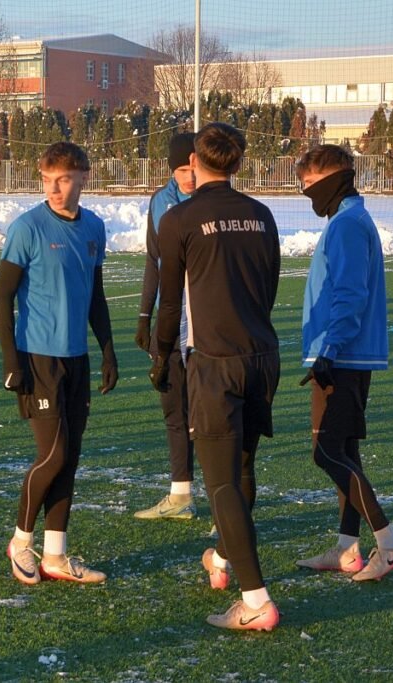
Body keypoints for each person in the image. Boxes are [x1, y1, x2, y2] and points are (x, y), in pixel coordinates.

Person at [150, 122, 280, 631]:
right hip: (262, 356)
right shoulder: (262, 214)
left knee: (221, 481)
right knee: (243, 467)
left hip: (214, 362)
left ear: (194, 162)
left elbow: (169, 304)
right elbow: (268, 287)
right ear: (238, 163)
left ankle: (256, 601)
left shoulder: (179, 218)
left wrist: (162, 356)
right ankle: (223, 559)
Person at [0, 141, 118, 585]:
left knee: (71, 458)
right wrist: (12, 361)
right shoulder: (27, 228)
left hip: (76, 358)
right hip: (38, 358)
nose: (54, 189)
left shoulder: (94, 228)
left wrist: (107, 350)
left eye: (63, 179)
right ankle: (20, 542)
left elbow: (96, 296)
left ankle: (55, 555)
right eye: (47, 180)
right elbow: (2, 298)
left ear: (84, 176)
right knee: (53, 454)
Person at [294, 144, 393, 581]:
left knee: (327, 452)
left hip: (342, 356)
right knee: (345, 452)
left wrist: (329, 350)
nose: (306, 193)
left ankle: (390, 543)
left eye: (309, 184)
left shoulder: (346, 225)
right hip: (347, 354)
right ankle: (348, 548)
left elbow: (350, 294)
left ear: (332, 180)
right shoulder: (350, 219)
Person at [134, 132, 198, 520]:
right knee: (173, 406)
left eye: (194, 168)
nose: (189, 177)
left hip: (205, 321)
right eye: (182, 170)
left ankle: (230, 508)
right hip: (169, 319)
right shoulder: (160, 202)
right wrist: (145, 316)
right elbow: (153, 260)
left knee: (211, 415)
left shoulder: (212, 201)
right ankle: (180, 495)